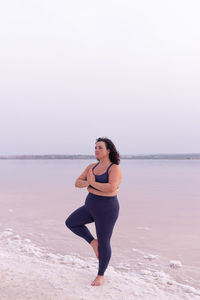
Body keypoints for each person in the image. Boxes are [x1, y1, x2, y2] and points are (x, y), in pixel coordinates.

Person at [65, 137, 122, 286]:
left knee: (104, 242)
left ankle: (100, 275)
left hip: (107, 211)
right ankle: (92, 242)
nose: (96, 150)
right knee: (71, 222)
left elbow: (111, 188)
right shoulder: (91, 167)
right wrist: (91, 185)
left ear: (108, 150)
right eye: (95, 147)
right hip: (90, 208)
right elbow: (77, 183)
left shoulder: (114, 168)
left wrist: (91, 184)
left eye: (100, 147)